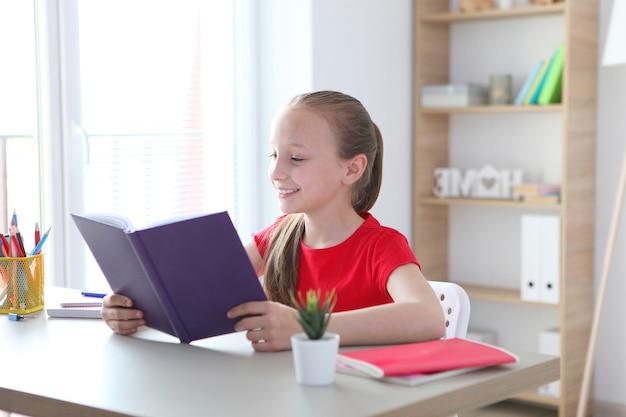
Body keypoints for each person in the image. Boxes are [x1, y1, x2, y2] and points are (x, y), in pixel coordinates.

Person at [101, 90, 445, 351]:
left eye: (296, 158)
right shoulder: (280, 236)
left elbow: (429, 318)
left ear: (352, 168)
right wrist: (135, 310)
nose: (276, 172)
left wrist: (308, 327)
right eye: (274, 154)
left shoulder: (380, 246)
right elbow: (196, 294)